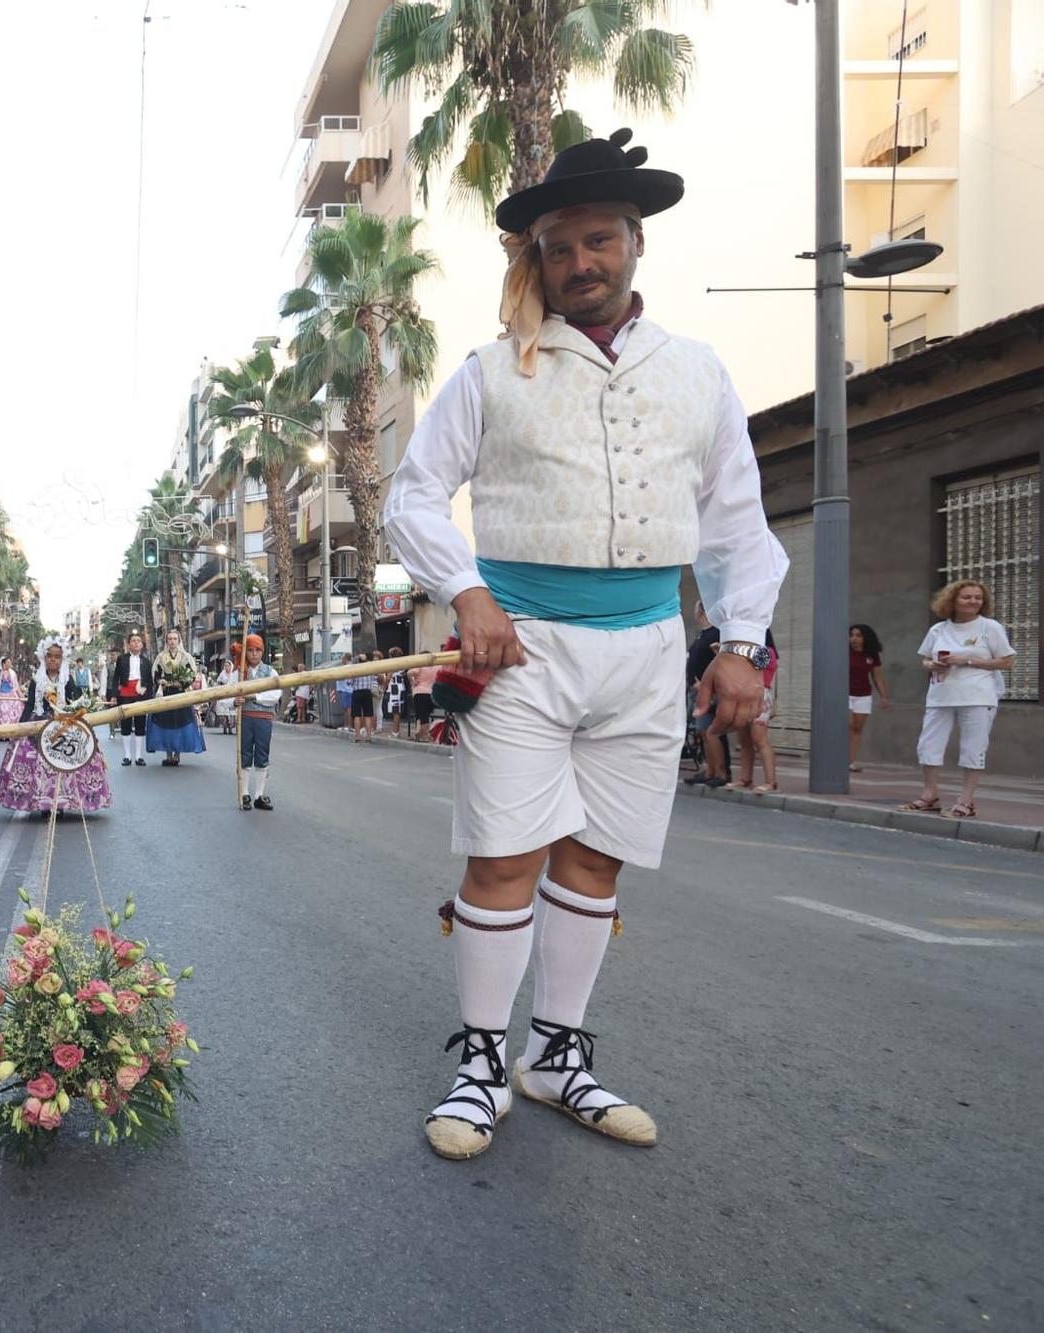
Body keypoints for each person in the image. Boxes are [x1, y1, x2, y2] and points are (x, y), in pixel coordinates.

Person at [382, 131, 786, 1161]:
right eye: (559, 249)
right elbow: (414, 494)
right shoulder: (486, 371)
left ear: (633, 242)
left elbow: (738, 522)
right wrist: (464, 590)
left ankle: (553, 1056)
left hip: (648, 647)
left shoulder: (695, 373)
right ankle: (481, 1061)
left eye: (598, 242)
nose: (581, 265)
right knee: (503, 856)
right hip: (517, 649)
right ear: (538, 258)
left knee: (595, 858)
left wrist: (739, 640)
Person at [901, 580, 1015, 819]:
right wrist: (931, 664)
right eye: (967, 597)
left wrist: (968, 661)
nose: (973, 601)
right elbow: (924, 660)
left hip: (977, 695)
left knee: (973, 747)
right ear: (952, 600)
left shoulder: (989, 627)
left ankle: (966, 801)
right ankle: (929, 795)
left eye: (978, 597)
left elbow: (1006, 661)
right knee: (929, 745)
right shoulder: (938, 630)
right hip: (940, 694)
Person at [0, 638, 111, 815]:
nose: (53, 660)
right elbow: (30, 705)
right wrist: (20, 728)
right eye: (49, 656)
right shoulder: (37, 680)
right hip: (40, 724)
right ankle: (43, 803)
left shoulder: (67, 680)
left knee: (68, 759)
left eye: (57, 657)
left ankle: (63, 802)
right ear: (44, 658)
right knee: (36, 759)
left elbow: (75, 703)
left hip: (65, 725)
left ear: (62, 659)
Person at [682, 601, 729, 788]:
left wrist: (707, 683)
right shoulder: (703, 635)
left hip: (710, 690)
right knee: (703, 731)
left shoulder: (717, 633)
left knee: (712, 731)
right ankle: (710, 770)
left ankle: (721, 772)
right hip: (697, 690)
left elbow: (723, 660)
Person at [146, 629, 206, 766]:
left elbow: (192, 675)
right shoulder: (161, 657)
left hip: (180, 694)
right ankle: (168, 754)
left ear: (178, 641)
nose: (172, 641)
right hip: (166, 694)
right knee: (165, 724)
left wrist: (182, 683)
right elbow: (155, 673)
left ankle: (177, 754)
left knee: (180, 723)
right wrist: (159, 681)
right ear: (166, 641)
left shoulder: (186, 657)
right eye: (170, 639)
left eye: (174, 639)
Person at [732, 629, 779, 793]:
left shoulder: (768, 652)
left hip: (760, 695)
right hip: (744, 695)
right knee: (744, 740)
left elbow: (752, 667)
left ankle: (771, 782)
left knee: (760, 739)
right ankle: (745, 778)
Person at [238, 635, 280, 811]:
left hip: (263, 718)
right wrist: (235, 701)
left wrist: (254, 696)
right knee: (245, 754)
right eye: (250, 650)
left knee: (262, 754)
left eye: (257, 650)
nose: (253, 654)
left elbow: (275, 695)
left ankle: (259, 795)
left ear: (262, 652)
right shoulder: (240, 672)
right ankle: (244, 794)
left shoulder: (271, 672)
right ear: (246, 652)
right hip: (245, 717)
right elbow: (227, 693)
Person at [108, 631, 155, 766]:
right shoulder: (121, 659)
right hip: (125, 693)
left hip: (141, 693)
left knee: (140, 724)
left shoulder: (147, 662)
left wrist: (149, 697)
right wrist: (113, 696)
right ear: (128, 645)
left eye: (138, 641)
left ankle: (139, 756)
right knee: (126, 724)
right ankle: (127, 756)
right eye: (133, 641)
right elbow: (115, 678)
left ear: (142, 645)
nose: (136, 643)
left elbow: (149, 681)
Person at [848, 623, 889, 772]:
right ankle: (838, 758)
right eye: (852, 635)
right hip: (845, 694)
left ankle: (850, 761)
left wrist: (884, 696)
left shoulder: (871, 655)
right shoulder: (844, 652)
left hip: (863, 694)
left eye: (858, 635)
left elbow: (877, 677)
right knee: (847, 725)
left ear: (865, 638)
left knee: (857, 727)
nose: (854, 639)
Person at [407, 658, 439, 741]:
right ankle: (419, 734)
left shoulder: (420, 666)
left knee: (421, 715)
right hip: (431, 693)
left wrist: (412, 682)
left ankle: (424, 735)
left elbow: (409, 672)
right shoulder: (437, 667)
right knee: (425, 715)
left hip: (419, 692)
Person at [350, 653, 379, 742]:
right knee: (368, 715)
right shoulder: (369, 668)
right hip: (367, 692)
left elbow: (350, 682)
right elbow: (374, 679)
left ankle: (358, 736)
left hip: (357, 692)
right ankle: (369, 736)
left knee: (357, 715)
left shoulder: (355, 669)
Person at [382, 648, 409, 737]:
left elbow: (389, 677)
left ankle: (395, 731)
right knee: (398, 710)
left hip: (394, 688)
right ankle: (397, 730)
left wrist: (384, 686)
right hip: (401, 687)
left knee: (395, 711)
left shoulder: (392, 664)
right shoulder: (403, 664)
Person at [213, 655, 239, 735]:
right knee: (223, 712)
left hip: (231, 695)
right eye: (226, 666)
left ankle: (230, 728)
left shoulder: (234, 674)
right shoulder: (222, 674)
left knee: (232, 712)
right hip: (223, 695)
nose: (227, 667)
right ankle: (225, 727)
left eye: (228, 666)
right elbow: (218, 683)